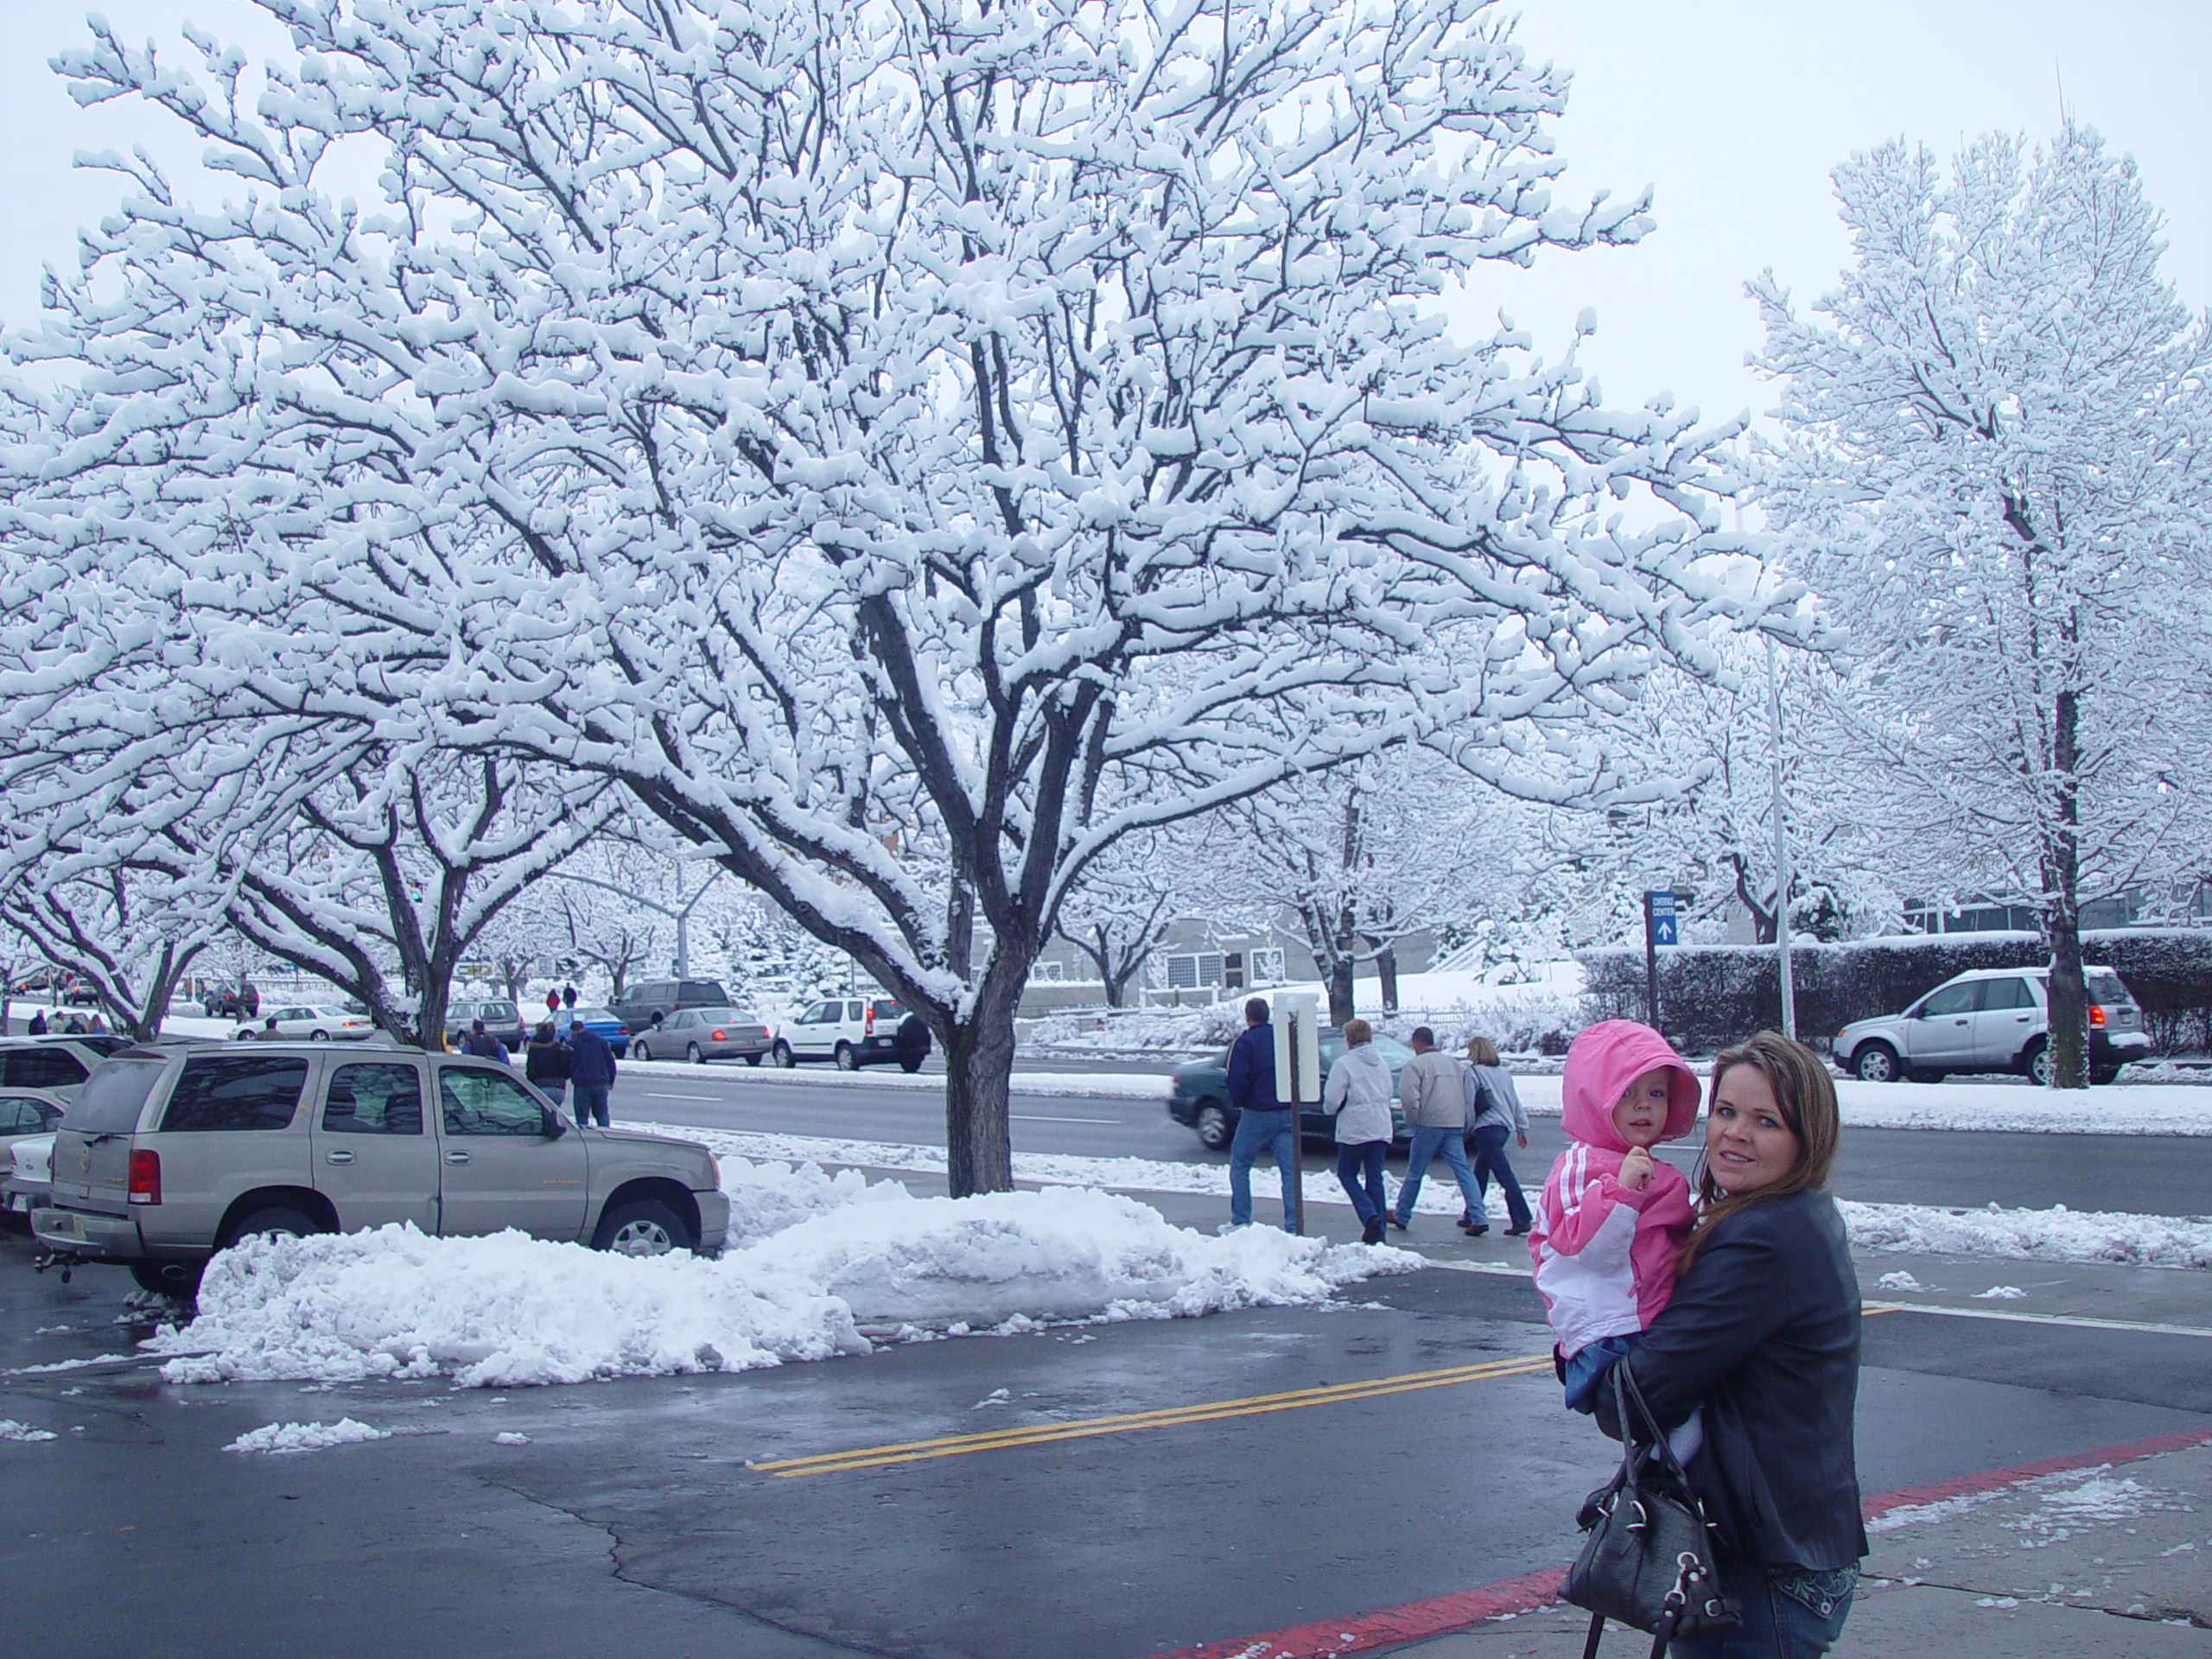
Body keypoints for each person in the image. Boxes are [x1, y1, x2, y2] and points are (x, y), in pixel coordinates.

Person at [1594, 1032, 1863, 1658]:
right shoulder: (1797, 1214)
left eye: (1765, 1120)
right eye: (1726, 1112)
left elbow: (1631, 1403)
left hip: (1760, 1577)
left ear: (1806, 1137)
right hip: (1791, 1549)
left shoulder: (1761, 1239)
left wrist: (1586, 1355)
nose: (1735, 1134)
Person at [1529, 1020, 1700, 1422]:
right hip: (1610, 1333)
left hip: (1648, 1321)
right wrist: (1620, 1194)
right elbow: (1587, 1249)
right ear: (1594, 1100)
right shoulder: (1581, 1166)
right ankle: (1662, 1470)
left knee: (1699, 1420)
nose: (1645, 1105)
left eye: (1657, 1093)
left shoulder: (1657, 1170)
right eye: (1627, 1093)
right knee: (1684, 1423)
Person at [1389, 1027, 1484, 1234]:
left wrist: (1413, 1120)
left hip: (1429, 1123)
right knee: (1463, 1172)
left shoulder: (1415, 1065)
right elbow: (1467, 1095)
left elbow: (1409, 1097)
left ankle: (1402, 1213)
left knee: (1415, 1171)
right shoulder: (1454, 1064)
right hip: (1454, 1123)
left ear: (1416, 1043)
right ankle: (1478, 1215)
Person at [1223, 996, 1297, 1232]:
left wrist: (1241, 1103)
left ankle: (1241, 1220)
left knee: (1241, 1162)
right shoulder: (1283, 1038)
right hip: (1285, 1110)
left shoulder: (1244, 1043)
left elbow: (1236, 1078)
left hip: (1257, 1111)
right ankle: (1294, 1224)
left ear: (1248, 1017)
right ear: (1267, 1015)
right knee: (1290, 1171)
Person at [1320, 1017, 1395, 1244]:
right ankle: (1379, 1233)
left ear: (1348, 1039)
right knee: (1375, 1179)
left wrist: (1330, 1110)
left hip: (1354, 1128)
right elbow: (1390, 1092)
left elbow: (1332, 1100)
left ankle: (1368, 1214)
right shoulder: (1381, 1062)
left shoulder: (1343, 1064)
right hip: (1381, 1126)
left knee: (1347, 1173)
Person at [1461, 1035, 1533, 1237]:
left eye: (1469, 1052)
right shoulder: (1503, 1073)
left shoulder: (1472, 1073)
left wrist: (1466, 1129)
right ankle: (1471, 1213)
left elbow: (1468, 1104)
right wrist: (1521, 1128)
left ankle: (1521, 1218)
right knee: (1481, 1172)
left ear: (1475, 1053)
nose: (1468, 1056)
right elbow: (1515, 1102)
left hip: (1486, 1128)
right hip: (1504, 1129)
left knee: (1504, 1174)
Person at [568, 1015, 619, 1128]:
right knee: (602, 1114)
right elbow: (610, 1061)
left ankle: (585, 1139)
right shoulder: (601, 1041)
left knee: (582, 1117)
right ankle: (606, 1135)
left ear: (573, 1031)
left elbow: (568, 1064)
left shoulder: (573, 1044)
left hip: (582, 1084)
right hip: (601, 1082)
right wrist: (611, 1080)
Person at [524, 1020, 573, 1110]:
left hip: (540, 1086)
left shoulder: (534, 1048)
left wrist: (532, 1082)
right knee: (556, 1114)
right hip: (559, 1086)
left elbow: (531, 1070)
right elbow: (566, 1068)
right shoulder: (558, 1047)